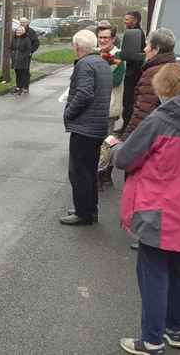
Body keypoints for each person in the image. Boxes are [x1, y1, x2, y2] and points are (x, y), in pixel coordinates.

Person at [110, 64, 180, 355]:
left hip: (157, 208)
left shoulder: (160, 119)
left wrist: (115, 147)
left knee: (153, 273)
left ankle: (151, 340)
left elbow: (126, 159)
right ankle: (176, 330)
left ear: (164, 89)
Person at [60, 30, 112, 226]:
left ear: (77, 47)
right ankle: (89, 208)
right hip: (97, 125)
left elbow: (84, 94)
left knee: (79, 171)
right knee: (90, 170)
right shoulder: (101, 62)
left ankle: (83, 213)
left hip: (85, 127)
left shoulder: (85, 64)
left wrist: (68, 113)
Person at [120, 28, 176, 141]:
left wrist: (125, 140)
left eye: (147, 45)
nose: (144, 49)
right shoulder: (176, 69)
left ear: (156, 49)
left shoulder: (153, 74)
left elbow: (142, 112)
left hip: (149, 136)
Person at [96, 24, 126, 188]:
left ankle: (103, 173)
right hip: (94, 106)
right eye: (100, 37)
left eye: (106, 37)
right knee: (98, 141)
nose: (102, 40)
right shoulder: (95, 53)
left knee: (107, 141)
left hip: (110, 105)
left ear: (113, 39)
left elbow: (115, 80)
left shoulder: (118, 56)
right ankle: (103, 171)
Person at [121, 11, 146, 131]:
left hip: (133, 75)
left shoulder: (134, 34)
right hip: (133, 72)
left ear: (135, 21)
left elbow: (129, 54)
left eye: (127, 19)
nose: (124, 22)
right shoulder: (135, 33)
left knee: (129, 102)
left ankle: (127, 128)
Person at [11, 25, 33, 95]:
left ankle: (22, 88)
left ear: (23, 32)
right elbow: (11, 48)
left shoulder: (26, 39)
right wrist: (12, 55)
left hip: (23, 60)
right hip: (15, 60)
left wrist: (23, 57)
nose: (18, 32)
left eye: (20, 31)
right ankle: (18, 87)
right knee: (17, 74)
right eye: (17, 30)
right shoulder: (14, 38)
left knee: (22, 74)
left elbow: (28, 50)